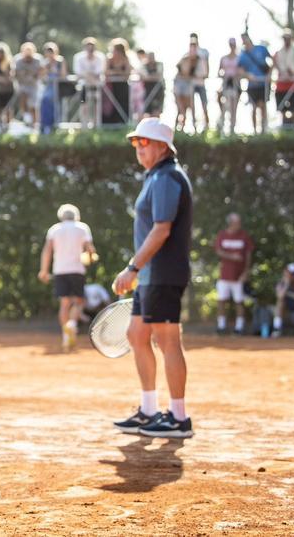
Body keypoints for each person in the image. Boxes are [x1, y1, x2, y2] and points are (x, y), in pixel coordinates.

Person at [111, 117, 194, 439]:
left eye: (144, 143)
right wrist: (138, 271)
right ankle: (149, 410)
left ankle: (179, 418)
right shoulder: (155, 177)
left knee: (168, 341)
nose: (138, 149)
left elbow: (162, 229)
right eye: (135, 143)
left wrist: (132, 267)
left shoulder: (168, 177)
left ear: (162, 147)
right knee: (136, 335)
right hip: (150, 276)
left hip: (164, 273)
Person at [38, 203, 97, 352]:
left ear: (61, 216)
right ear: (76, 215)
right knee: (78, 301)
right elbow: (90, 249)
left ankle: (66, 335)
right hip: (77, 270)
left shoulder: (54, 230)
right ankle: (72, 324)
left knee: (64, 303)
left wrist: (44, 270)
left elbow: (47, 251)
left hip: (60, 270)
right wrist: (90, 257)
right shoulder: (82, 228)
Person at [214, 213, 254, 335]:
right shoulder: (222, 235)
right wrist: (232, 256)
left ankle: (239, 327)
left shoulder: (244, 236)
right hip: (224, 276)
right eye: (237, 222)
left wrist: (246, 272)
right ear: (230, 223)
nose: (239, 224)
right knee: (221, 301)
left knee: (239, 301)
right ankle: (221, 326)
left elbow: (248, 255)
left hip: (238, 277)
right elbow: (218, 251)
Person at [237, 33, 271, 135]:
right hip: (251, 85)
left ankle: (264, 129)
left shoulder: (261, 49)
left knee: (263, 106)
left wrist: (269, 75)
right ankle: (255, 130)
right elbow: (240, 69)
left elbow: (272, 60)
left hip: (263, 84)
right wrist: (247, 75)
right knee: (254, 107)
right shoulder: (243, 54)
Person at [272, 29, 294, 129]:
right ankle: (284, 128)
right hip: (281, 85)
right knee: (282, 110)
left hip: (293, 85)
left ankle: (293, 128)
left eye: (288, 38)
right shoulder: (278, 52)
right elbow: (275, 65)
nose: (287, 40)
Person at [72, 37, 105, 129]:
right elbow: (78, 73)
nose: (90, 50)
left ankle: (95, 124)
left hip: (96, 86)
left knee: (96, 105)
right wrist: (89, 75)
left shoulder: (100, 57)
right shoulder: (78, 57)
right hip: (84, 86)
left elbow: (99, 72)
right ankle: (84, 125)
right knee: (83, 104)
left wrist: (87, 75)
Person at [13, 42, 42, 126]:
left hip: (34, 86)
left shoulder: (38, 59)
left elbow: (40, 71)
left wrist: (29, 74)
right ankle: (26, 117)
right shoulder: (18, 60)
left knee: (33, 106)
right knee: (23, 98)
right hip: (23, 85)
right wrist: (29, 74)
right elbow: (17, 73)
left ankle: (34, 124)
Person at [105, 39, 131, 126]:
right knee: (111, 104)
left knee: (123, 104)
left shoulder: (126, 59)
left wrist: (115, 72)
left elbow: (127, 74)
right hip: (111, 87)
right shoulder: (109, 59)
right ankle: (111, 123)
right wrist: (119, 72)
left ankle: (123, 123)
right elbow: (106, 72)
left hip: (123, 86)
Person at [216, 38, 240, 135]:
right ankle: (221, 126)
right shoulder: (224, 58)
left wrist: (235, 76)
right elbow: (219, 71)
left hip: (235, 84)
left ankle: (232, 129)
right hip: (225, 84)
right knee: (224, 105)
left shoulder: (239, 58)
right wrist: (225, 75)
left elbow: (241, 71)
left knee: (234, 107)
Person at [174, 45, 200, 133]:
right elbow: (185, 73)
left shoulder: (197, 61)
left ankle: (186, 129)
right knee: (181, 110)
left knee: (187, 109)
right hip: (180, 87)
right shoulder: (184, 60)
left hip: (187, 88)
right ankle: (179, 129)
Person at [189, 33, 211, 131]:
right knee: (192, 106)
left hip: (201, 82)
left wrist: (206, 74)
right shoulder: (188, 53)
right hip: (192, 83)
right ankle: (194, 126)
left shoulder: (203, 52)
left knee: (204, 104)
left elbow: (207, 64)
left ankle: (207, 126)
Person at [40, 42, 63, 133]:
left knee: (56, 105)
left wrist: (55, 71)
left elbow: (63, 74)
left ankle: (55, 125)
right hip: (48, 87)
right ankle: (46, 125)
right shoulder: (45, 63)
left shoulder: (60, 61)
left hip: (59, 87)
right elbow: (42, 76)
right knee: (45, 101)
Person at [138, 50, 164, 118]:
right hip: (147, 90)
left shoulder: (159, 64)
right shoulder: (143, 66)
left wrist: (149, 77)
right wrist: (152, 77)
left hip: (158, 91)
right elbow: (144, 77)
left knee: (157, 109)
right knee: (147, 110)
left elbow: (159, 76)